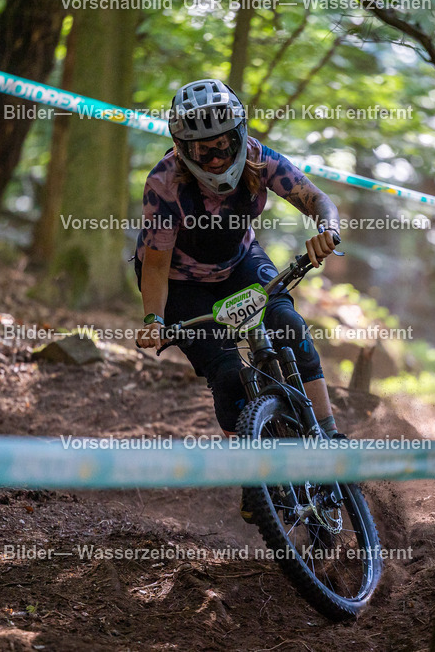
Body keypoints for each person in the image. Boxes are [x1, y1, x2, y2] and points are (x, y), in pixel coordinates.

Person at [133, 80, 344, 518]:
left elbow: (316, 199)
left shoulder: (259, 158)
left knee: (290, 328)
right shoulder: (165, 183)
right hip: (181, 282)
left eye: (225, 145)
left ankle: (330, 437)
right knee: (227, 373)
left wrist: (328, 230)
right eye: (204, 151)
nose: (218, 158)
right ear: (182, 148)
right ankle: (253, 479)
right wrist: (154, 318)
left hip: (240, 260)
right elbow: (154, 266)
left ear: (239, 134)